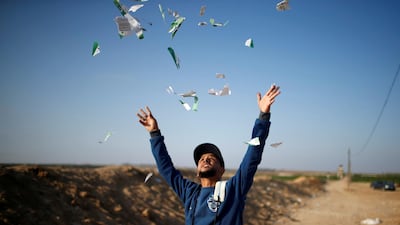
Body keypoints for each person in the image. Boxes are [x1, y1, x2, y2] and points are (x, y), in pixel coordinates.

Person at [136, 84, 280, 225]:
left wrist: (263, 116)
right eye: (202, 159)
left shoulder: (233, 190)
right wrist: (154, 133)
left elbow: (252, 155)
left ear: (222, 170)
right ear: (197, 172)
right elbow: (165, 168)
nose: (205, 159)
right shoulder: (189, 193)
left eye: (212, 158)